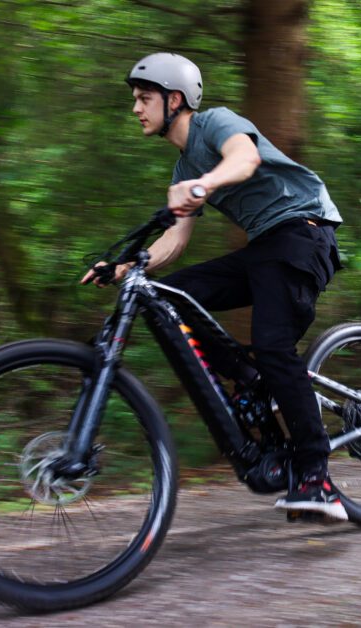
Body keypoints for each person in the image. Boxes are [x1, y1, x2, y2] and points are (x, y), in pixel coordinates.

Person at [83, 52, 346, 521]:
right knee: (167, 296)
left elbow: (244, 159)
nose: (136, 109)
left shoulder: (216, 123)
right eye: (136, 101)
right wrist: (123, 268)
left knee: (273, 347)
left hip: (304, 232)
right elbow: (175, 239)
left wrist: (203, 187)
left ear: (174, 99)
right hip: (267, 246)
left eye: (144, 99)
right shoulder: (183, 170)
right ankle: (246, 378)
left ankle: (317, 479)